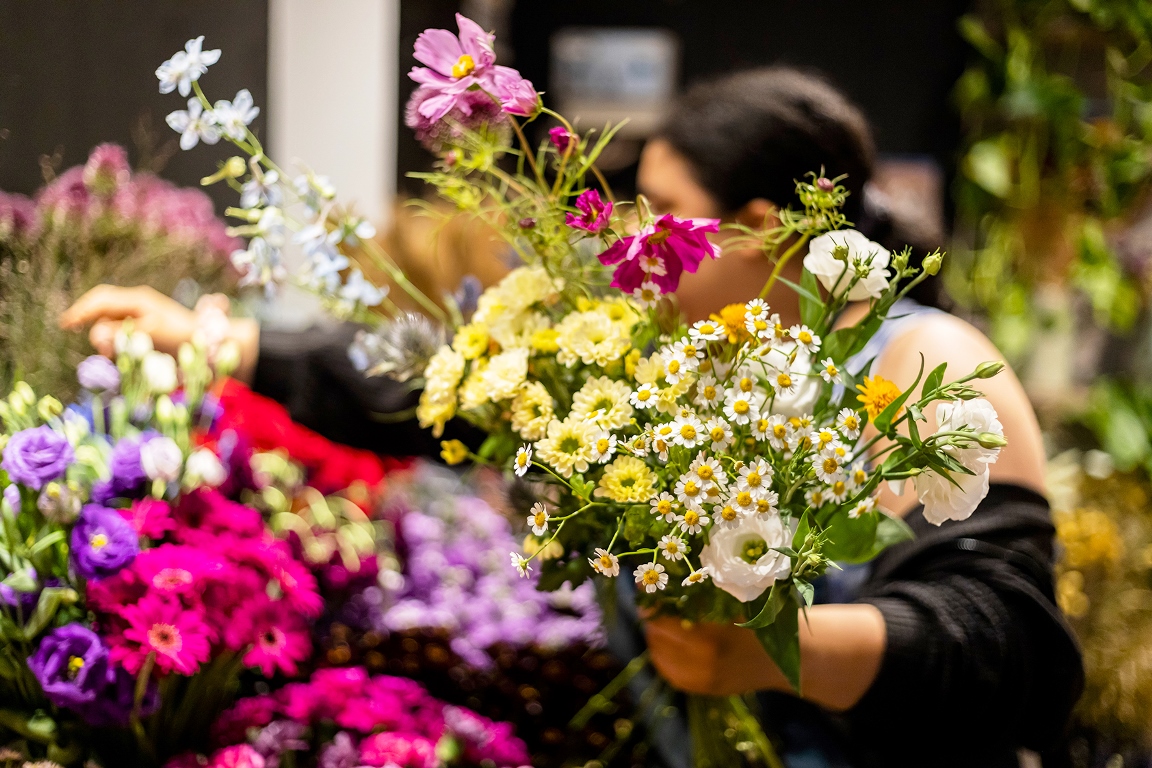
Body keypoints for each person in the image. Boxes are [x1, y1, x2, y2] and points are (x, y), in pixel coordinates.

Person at [61, 66, 1082, 768]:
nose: (632, 236)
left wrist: (777, 646)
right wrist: (225, 344)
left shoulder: (925, 364)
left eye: (658, 205)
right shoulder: (680, 366)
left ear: (762, 231)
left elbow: (1016, 655)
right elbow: (447, 393)